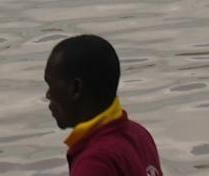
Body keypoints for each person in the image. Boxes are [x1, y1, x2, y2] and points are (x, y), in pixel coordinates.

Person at [45, 35, 163, 176]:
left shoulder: (94, 162)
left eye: (51, 85)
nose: (48, 95)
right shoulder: (139, 134)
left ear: (76, 88)